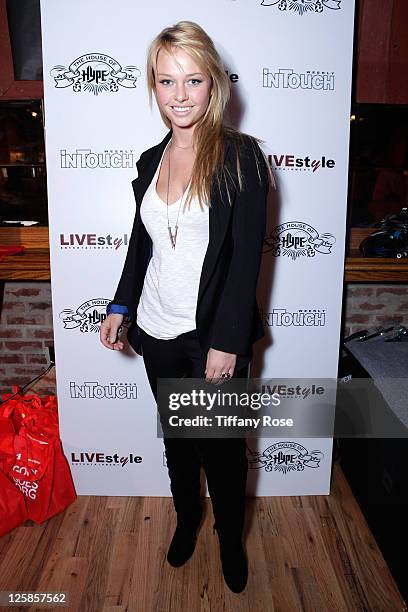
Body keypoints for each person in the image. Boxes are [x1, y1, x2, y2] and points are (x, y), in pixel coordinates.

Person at [100, 20, 273, 593]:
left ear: (213, 84)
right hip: (155, 331)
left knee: (221, 455)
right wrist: (122, 306)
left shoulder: (242, 158)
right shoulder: (150, 160)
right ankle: (186, 521)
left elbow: (247, 257)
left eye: (192, 80)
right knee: (177, 441)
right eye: (167, 80)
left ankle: (229, 541)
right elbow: (141, 243)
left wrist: (226, 343)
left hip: (209, 340)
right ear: (153, 85)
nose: (179, 95)